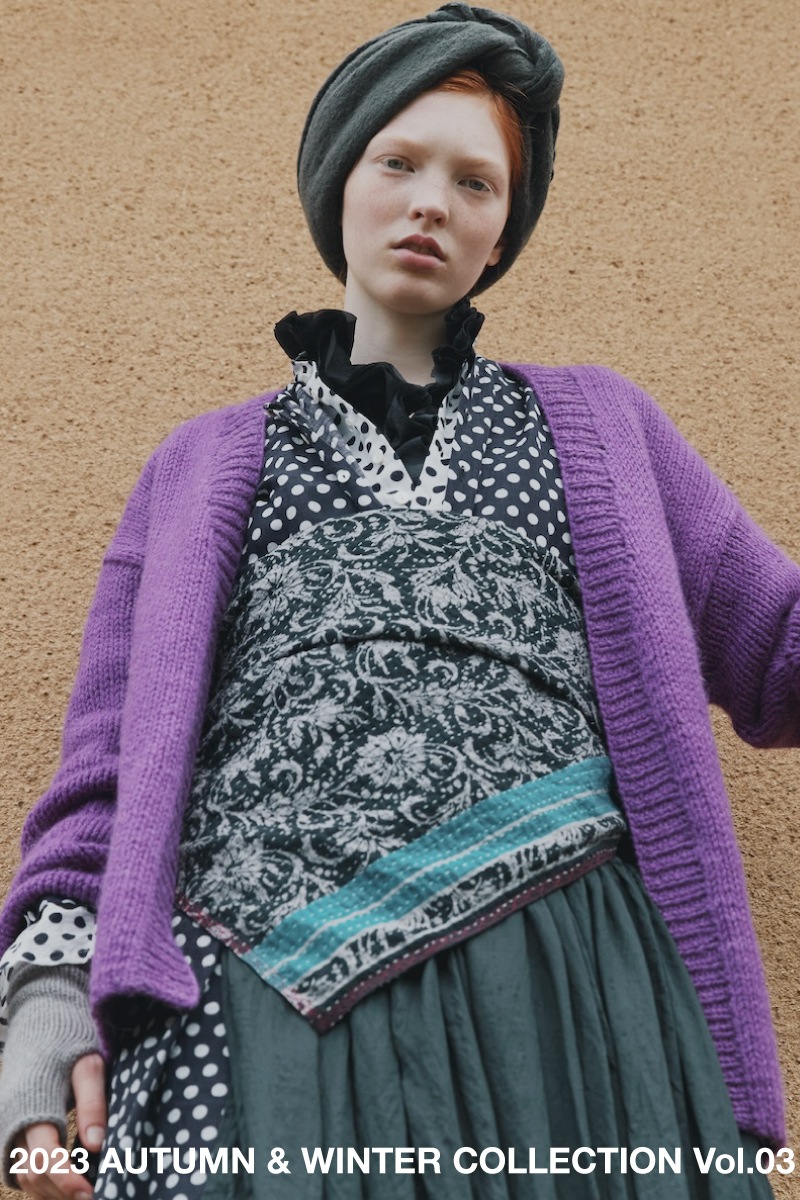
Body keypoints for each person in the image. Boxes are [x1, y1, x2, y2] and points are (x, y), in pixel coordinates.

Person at [0, 4, 797, 1198]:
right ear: (339, 183)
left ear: (500, 232)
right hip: (253, 989)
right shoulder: (199, 464)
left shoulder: (603, 426)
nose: (431, 202)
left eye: (474, 183)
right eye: (398, 163)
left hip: (568, 982)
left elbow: (778, 651)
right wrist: (46, 1011)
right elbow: (104, 775)